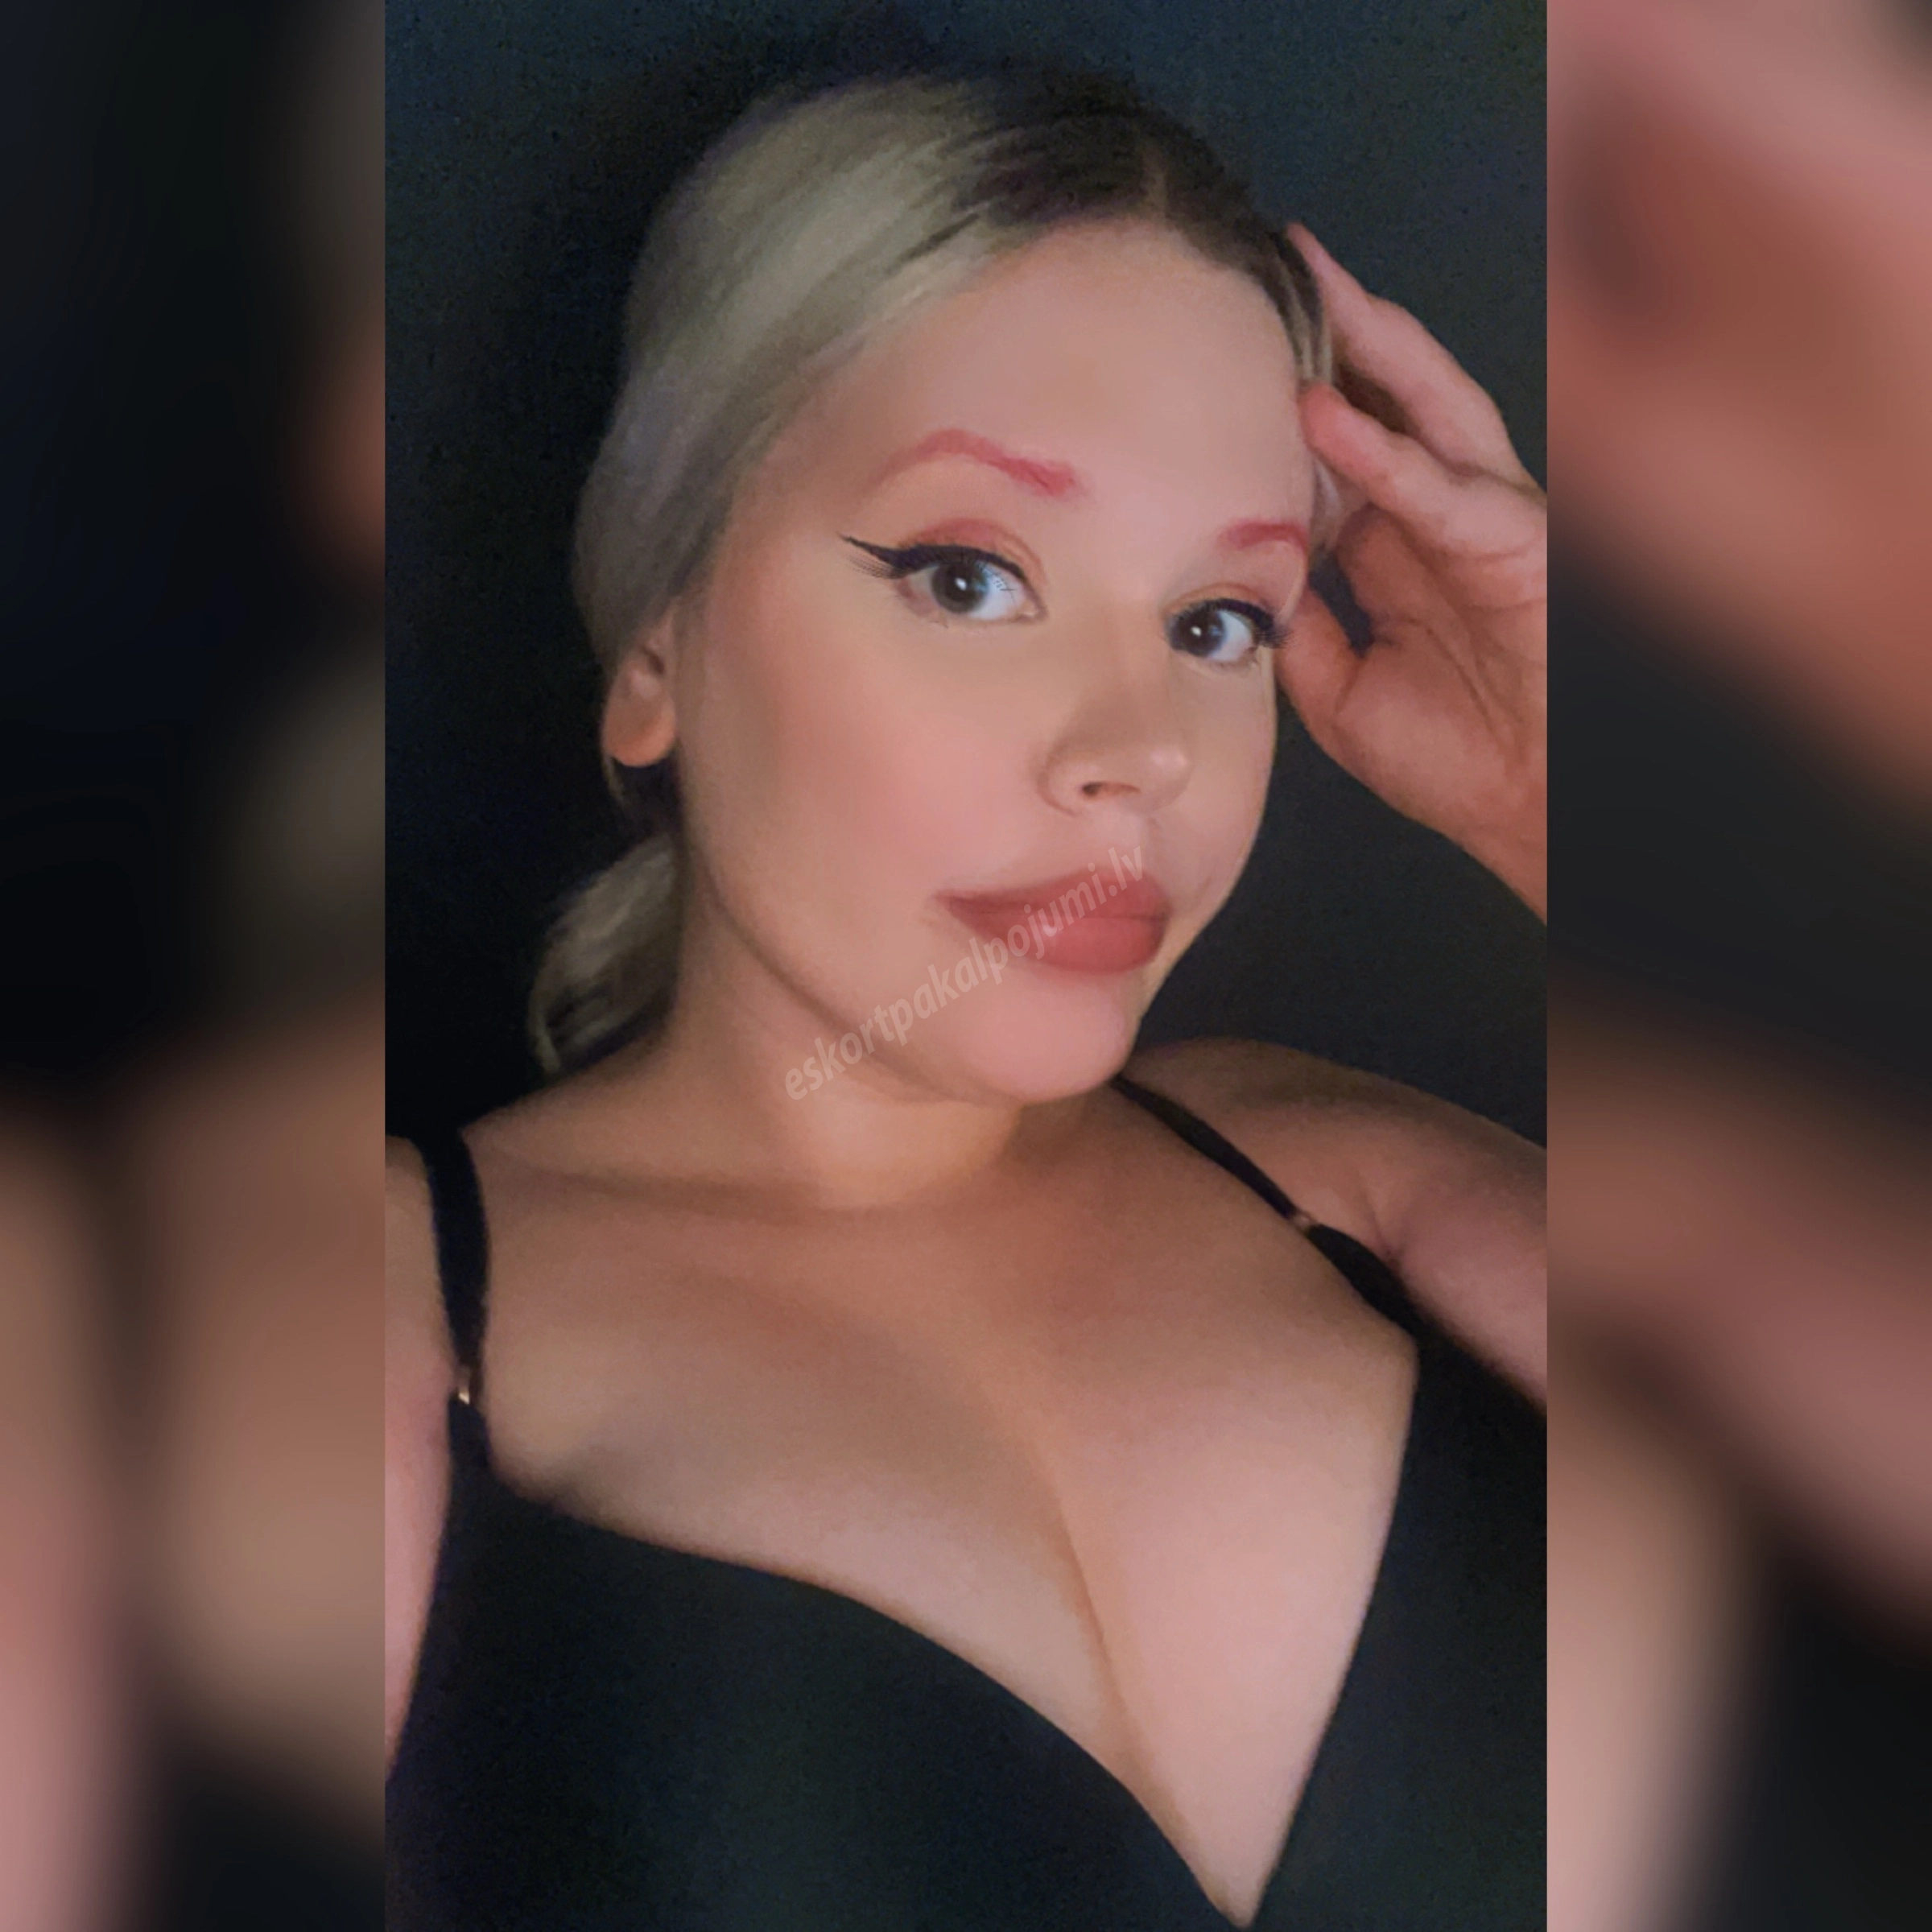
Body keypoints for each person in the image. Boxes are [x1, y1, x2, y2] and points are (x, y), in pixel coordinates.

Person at [385, 69, 1546, 1931]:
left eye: (1218, 623)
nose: (1140, 749)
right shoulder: (373, 1314)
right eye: (969, 577)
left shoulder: (1337, 1176)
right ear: (657, 649)